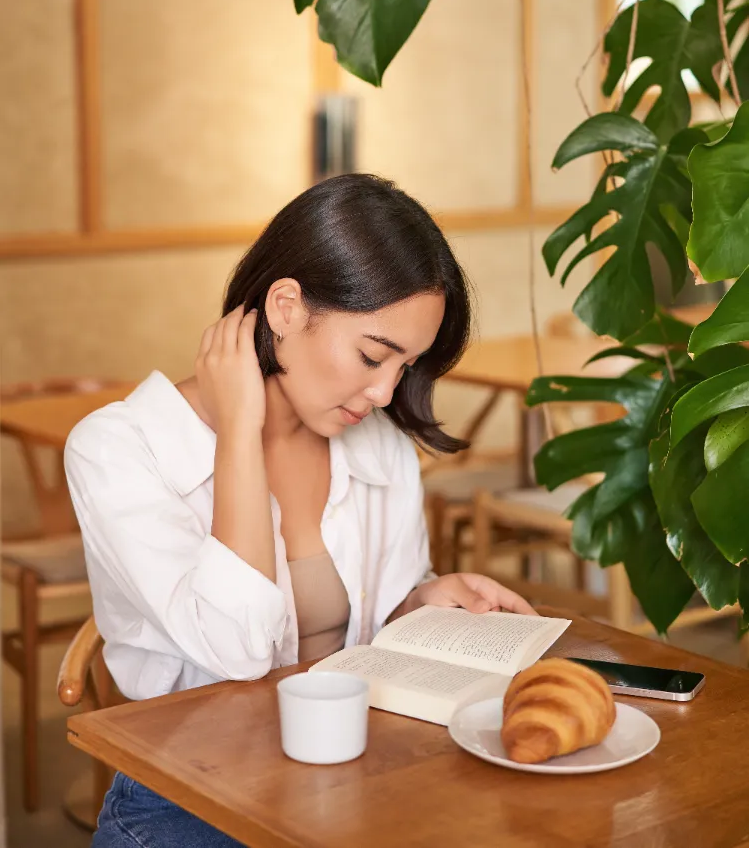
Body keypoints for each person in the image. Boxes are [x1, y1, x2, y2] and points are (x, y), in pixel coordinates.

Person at [65, 173, 534, 848]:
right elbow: (239, 652)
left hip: (356, 778)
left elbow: (358, 633)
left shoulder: (377, 443)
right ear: (285, 307)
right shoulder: (117, 448)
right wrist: (240, 433)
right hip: (187, 801)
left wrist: (421, 601)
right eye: (374, 354)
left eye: (405, 366)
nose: (383, 391)